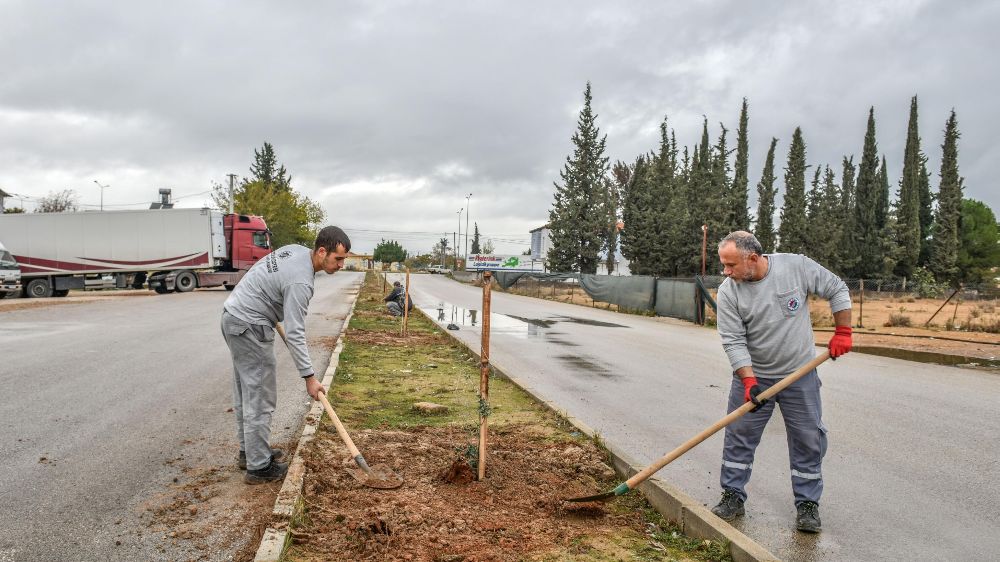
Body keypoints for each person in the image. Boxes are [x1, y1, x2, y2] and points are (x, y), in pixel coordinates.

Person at [710, 231, 852, 533]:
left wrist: (844, 332)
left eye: (731, 264)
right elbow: (733, 341)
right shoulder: (729, 291)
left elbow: (837, 289)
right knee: (739, 437)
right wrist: (748, 382)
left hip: (800, 375)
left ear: (753, 258)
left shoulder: (795, 267)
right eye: (724, 264)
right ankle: (732, 495)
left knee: (808, 439)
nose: (726, 271)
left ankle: (808, 505)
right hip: (754, 376)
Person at [221, 226, 351, 484]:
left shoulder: (295, 251)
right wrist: (309, 377)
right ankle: (258, 468)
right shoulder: (301, 281)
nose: (342, 264)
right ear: (322, 251)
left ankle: (251, 453)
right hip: (250, 325)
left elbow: (265, 278)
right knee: (259, 396)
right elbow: (295, 332)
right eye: (338, 258)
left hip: (233, 317)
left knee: (247, 392)